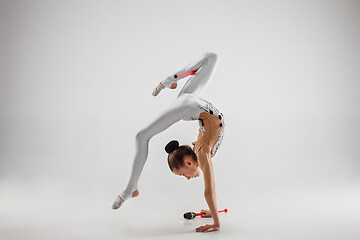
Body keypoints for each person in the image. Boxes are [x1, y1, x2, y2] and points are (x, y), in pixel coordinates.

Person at [112, 52, 225, 233]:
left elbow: (210, 191)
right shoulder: (202, 153)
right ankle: (130, 189)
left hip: (191, 102)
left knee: (212, 57)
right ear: (188, 162)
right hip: (189, 105)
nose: (187, 178)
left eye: (182, 175)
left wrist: (213, 214)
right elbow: (209, 191)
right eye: (184, 175)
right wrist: (216, 223)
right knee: (141, 137)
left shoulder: (199, 150)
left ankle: (168, 81)